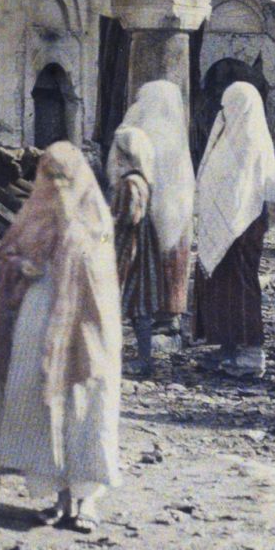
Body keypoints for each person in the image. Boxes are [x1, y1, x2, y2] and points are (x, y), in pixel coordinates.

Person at [0, 141, 123, 532]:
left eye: (65, 177)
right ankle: (57, 497)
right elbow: (7, 254)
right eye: (50, 177)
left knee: (84, 409)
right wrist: (22, 267)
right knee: (42, 408)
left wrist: (70, 238)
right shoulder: (34, 213)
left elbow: (97, 270)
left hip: (85, 329)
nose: (58, 185)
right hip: (40, 319)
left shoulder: (95, 217)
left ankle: (85, 501)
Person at [191, 80, 275, 378]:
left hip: (244, 228)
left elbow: (266, 190)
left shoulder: (254, 143)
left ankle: (250, 354)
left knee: (240, 288)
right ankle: (226, 348)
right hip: (224, 228)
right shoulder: (227, 138)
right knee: (219, 286)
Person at [118, 80, 196, 339]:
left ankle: (152, 314)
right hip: (176, 215)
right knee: (173, 264)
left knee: (149, 270)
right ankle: (172, 314)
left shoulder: (143, 123)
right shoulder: (176, 130)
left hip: (148, 216)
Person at [105, 125, 165, 374]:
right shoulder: (142, 180)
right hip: (140, 250)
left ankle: (137, 359)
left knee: (126, 304)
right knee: (138, 309)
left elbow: (127, 218)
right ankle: (142, 357)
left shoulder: (129, 183)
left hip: (130, 251)